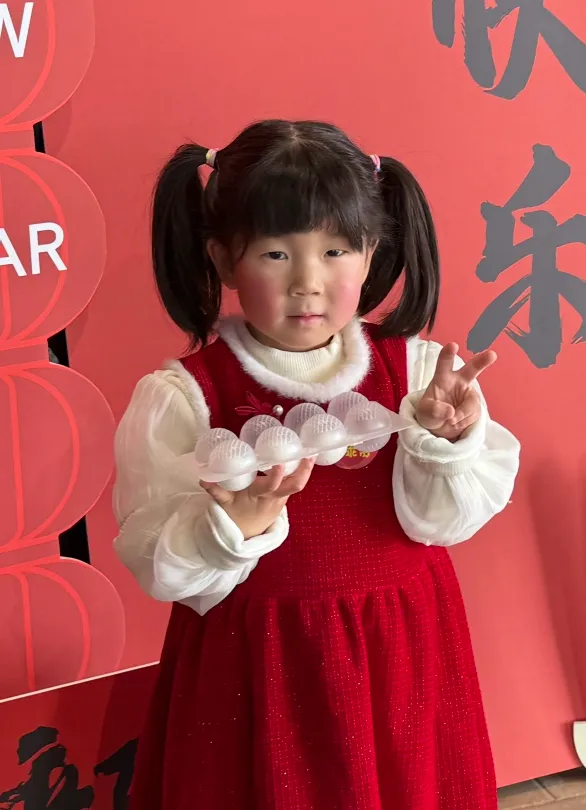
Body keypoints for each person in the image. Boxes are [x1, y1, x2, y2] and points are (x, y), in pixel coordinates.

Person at [113, 119, 520, 810]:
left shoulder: (418, 371)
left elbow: (442, 525)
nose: (308, 282)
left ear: (371, 253)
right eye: (276, 253)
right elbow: (156, 562)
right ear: (223, 259)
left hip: (402, 655)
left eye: (335, 250)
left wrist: (443, 441)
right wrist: (233, 525)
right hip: (258, 667)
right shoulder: (185, 397)